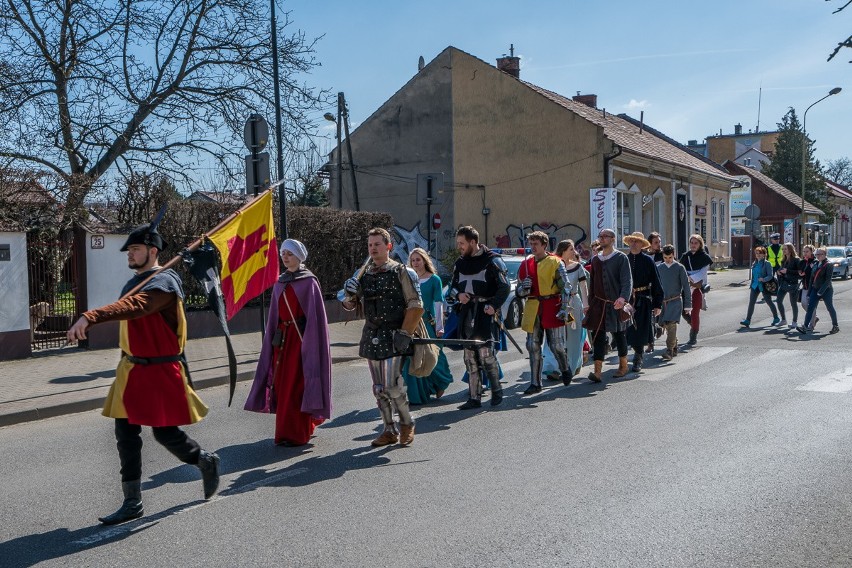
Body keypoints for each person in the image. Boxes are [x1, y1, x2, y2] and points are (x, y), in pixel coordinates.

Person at [66, 222, 219, 525]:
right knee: (125, 434)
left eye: (135, 249)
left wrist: (90, 316)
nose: (129, 255)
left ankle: (204, 460)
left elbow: (136, 307)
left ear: (152, 251)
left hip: (161, 370)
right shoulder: (136, 281)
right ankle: (132, 501)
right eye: (129, 250)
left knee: (164, 433)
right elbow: (129, 306)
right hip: (132, 369)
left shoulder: (165, 284)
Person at [245, 239, 332, 446]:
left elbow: (315, 318)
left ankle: (297, 433)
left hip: (303, 342)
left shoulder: (309, 282)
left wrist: (308, 342)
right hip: (282, 342)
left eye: (289, 254)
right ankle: (285, 431)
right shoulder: (280, 281)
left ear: (299, 257)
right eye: (283, 253)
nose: (285, 257)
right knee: (283, 385)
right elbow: (275, 315)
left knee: (298, 384)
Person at [341, 228, 422, 446]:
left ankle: (407, 423)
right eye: (370, 245)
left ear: (388, 247)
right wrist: (348, 293)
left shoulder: (402, 272)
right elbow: (350, 304)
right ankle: (389, 429)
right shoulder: (364, 275)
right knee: (378, 389)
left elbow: (415, 303)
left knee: (392, 386)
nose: (372, 249)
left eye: (377, 244)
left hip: (395, 334)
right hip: (371, 333)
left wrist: (405, 333)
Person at [448, 225, 510, 409]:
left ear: (473, 242)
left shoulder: (493, 261)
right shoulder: (460, 263)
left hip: (485, 312)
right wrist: (459, 295)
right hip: (467, 312)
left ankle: (496, 390)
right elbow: (452, 287)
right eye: (458, 243)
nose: (459, 246)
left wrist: (493, 306)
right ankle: (474, 397)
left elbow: (504, 287)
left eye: (462, 243)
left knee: (486, 354)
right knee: (469, 357)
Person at [515, 231, 572, 393]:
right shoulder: (525, 264)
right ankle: (535, 383)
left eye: (536, 244)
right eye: (531, 243)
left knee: (557, 346)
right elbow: (519, 292)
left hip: (552, 304)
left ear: (544, 245)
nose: (533, 247)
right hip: (533, 307)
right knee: (532, 345)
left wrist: (564, 308)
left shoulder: (555, 262)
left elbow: (566, 287)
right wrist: (523, 288)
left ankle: (565, 367)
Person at [402, 247, 454, 404]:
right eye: (413, 260)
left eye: (418, 259)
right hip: (412, 324)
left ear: (425, 260)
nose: (416, 263)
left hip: (428, 324)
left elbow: (438, 302)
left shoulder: (434, 279)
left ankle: (441, 383)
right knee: (412, 359)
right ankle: (418, 395)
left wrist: (440, 326)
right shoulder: (407, 278)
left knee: (434, 356)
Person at [583, 228, 632, 382]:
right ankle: (597, 371)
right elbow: (592, 285)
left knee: (619, 335)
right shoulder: (596, 260)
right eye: (601, 236)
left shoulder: (621, 258)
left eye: (606, 236)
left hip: (616, 304)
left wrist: (623, 298)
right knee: (598, 336)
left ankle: (623, 366)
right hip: (599, 304)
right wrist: (590, 304)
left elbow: (627, 280)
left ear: (613, 239)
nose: (602, 238)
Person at [623, 232, 663, 372]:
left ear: (642, 244)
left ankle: (638, 357)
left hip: (643, 298)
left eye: (637, 241)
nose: (634, 243)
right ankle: (626, 358)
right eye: (632, 241)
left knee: (639, 329)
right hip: (626, 299)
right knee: (626, 329)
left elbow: (656, 282)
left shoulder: (647, 261)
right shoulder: (624, 259)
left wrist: (658, 303)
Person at [555, 239, 589, 376]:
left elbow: (583, 286)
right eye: (571, 249)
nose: (574, 252)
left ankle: (573, 364)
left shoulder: (578, 267)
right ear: (563, 251)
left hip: (573, 304)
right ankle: (557, 366)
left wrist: (586, 304)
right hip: (558, 303)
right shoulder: (555, 265)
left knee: (574, 333)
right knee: (558, 336)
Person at [655, 245, 691, 361]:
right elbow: (655, 286)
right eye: (665, 257)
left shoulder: (680, 268)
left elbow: (686, 286)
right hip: (663, 302)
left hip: (675, 300)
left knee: (671, 324)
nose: (668, 260)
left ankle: (669, 350)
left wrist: (688, 305)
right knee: (663, 324)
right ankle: (674, 344)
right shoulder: (659, 268)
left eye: (670, 257)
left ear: (674, 255)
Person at [679, 234, 712, 345]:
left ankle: (693, 336)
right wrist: (687, 279)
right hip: (686, 288)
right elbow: (681, 271)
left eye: (695, 243)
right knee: (683, 311)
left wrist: (692, 280)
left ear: (700, 244)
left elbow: (702, 274)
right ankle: (693, 323)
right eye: (691, 243)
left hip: (698, 289)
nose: (693, 245)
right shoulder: (685, 256)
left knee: (695, 312)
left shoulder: (704, 257)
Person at [798, 247, 840, 335]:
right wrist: (809, 292)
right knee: (810, 308)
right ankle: (805, 326)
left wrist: (820, 292)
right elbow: (812, 279)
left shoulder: (828, 264)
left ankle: (835, 325)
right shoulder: (816, 263)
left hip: (826, 290)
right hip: (815, 289)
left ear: (825, 255)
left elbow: (828, 280)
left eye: (821, 254)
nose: (819, 256)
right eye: (817, 254)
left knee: (829, 307)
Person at [740, 246, 780, 328]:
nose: (758, 255)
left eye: (760, 253)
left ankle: (776, 318)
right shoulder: (754, 263)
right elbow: (754, 276)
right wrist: (751, 284)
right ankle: (748, 320)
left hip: (764, 286)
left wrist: (763, 279)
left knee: (769, 302)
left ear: (764, 254)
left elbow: (770, 276)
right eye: (756, 253)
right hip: (755, 286)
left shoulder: (767, 263)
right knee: (751, 302)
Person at [775, 242, 802, 329]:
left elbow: (800, 273)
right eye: (783, 249)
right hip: (784, 283)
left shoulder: (797, 260)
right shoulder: (783, 260)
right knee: (778, 301)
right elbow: (783, 270)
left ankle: (794, 321)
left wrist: (787, 271)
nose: (783, 250)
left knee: (793, 303)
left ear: (790, 249)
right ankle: (783, 320)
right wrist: (779, 272)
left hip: (793, 284)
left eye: (785, 249)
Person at [799, 245, 820, 331]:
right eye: (804, 251)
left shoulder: (815, 262)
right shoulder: (802, 262)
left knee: (812, 305)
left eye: (807, 251)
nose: (805, 253)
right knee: (804, 303)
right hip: (805, 286)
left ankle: (811, 325)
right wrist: (800, 273)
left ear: (812, 252)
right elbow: (799, 270)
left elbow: (815, 273)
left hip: (813, 287)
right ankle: (814, 317)